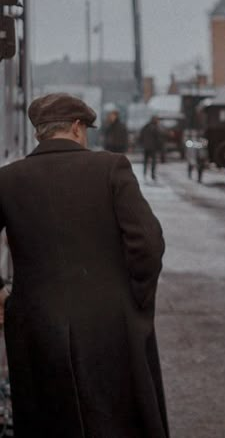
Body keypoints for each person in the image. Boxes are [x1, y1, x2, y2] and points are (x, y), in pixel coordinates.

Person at [0, 93, 169, 438]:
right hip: (108, 320)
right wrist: (133, 298)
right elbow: (148, 243)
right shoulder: (110, 168)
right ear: (77, 128)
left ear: (39, 133)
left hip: (36, 321)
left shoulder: (7, 179)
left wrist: (1, 292)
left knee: (47, 420)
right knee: (116, 419)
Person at [139, 116, 165, 181]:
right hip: (153, 147)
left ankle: (144, 173)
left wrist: (142, 143)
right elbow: (159, 137)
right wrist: (160, 146)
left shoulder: (146, 126)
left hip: (146, 147)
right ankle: (152, 175)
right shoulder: (156, 128)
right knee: (153, 162)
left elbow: (141, 135)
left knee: (145, 161)